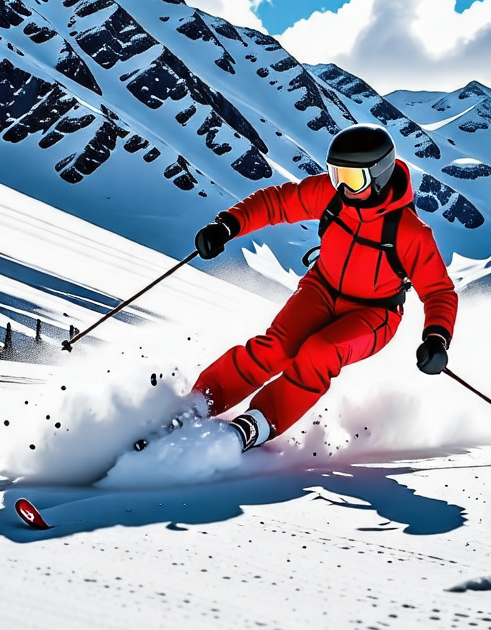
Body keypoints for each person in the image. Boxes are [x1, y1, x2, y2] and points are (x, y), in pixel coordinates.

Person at [188, 124, 457, 451]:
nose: (342, 186)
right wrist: (228, 225)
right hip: (321, 288)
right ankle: (203, 400)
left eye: (353, 178)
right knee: (276, 348)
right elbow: (277, 202)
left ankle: (260, 421)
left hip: (374, 313)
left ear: (379, 175)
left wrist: (436, 338)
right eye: (336, 174)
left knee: (320, 352)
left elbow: (439, 292)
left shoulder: (409, 231)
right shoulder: (332, 196)